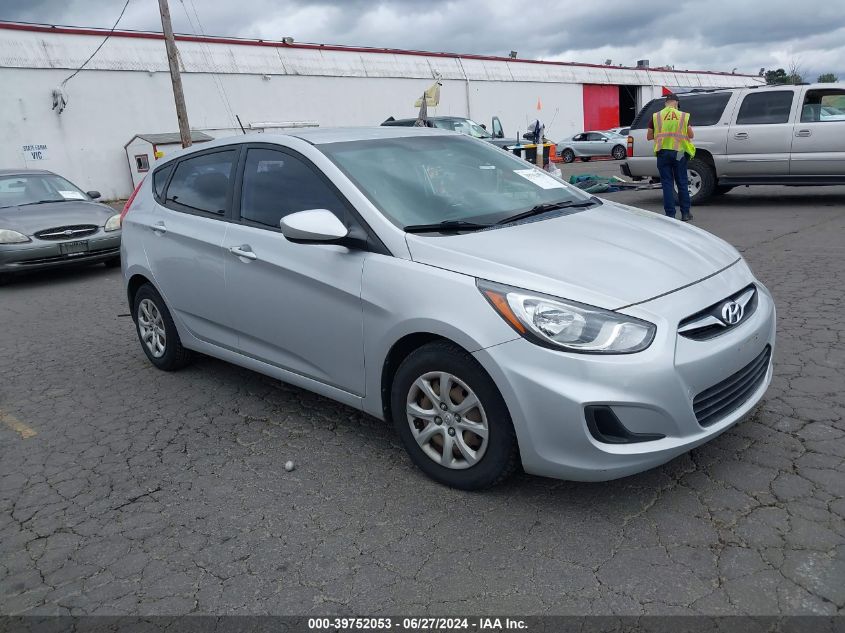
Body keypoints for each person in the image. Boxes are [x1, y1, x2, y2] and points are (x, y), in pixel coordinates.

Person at [647, 93, 696, 221]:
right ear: (676, 103)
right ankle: (685, 213)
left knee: (667, 183)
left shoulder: (656, 116)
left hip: (663, 153)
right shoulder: (683, 116)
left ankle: (670, 215)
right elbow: (691, 135)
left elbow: (649, 136)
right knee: (682, 182)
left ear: (666, 103)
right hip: (679, 153)